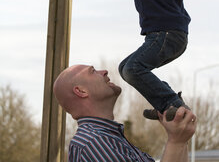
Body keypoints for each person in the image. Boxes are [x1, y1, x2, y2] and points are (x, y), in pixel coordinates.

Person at [53, 64, 196, 162]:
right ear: (81, 91)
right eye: (93, 71)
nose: (104, 71)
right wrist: (176, 141)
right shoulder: (92, 142)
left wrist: (181, 138)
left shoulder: (108, 139)